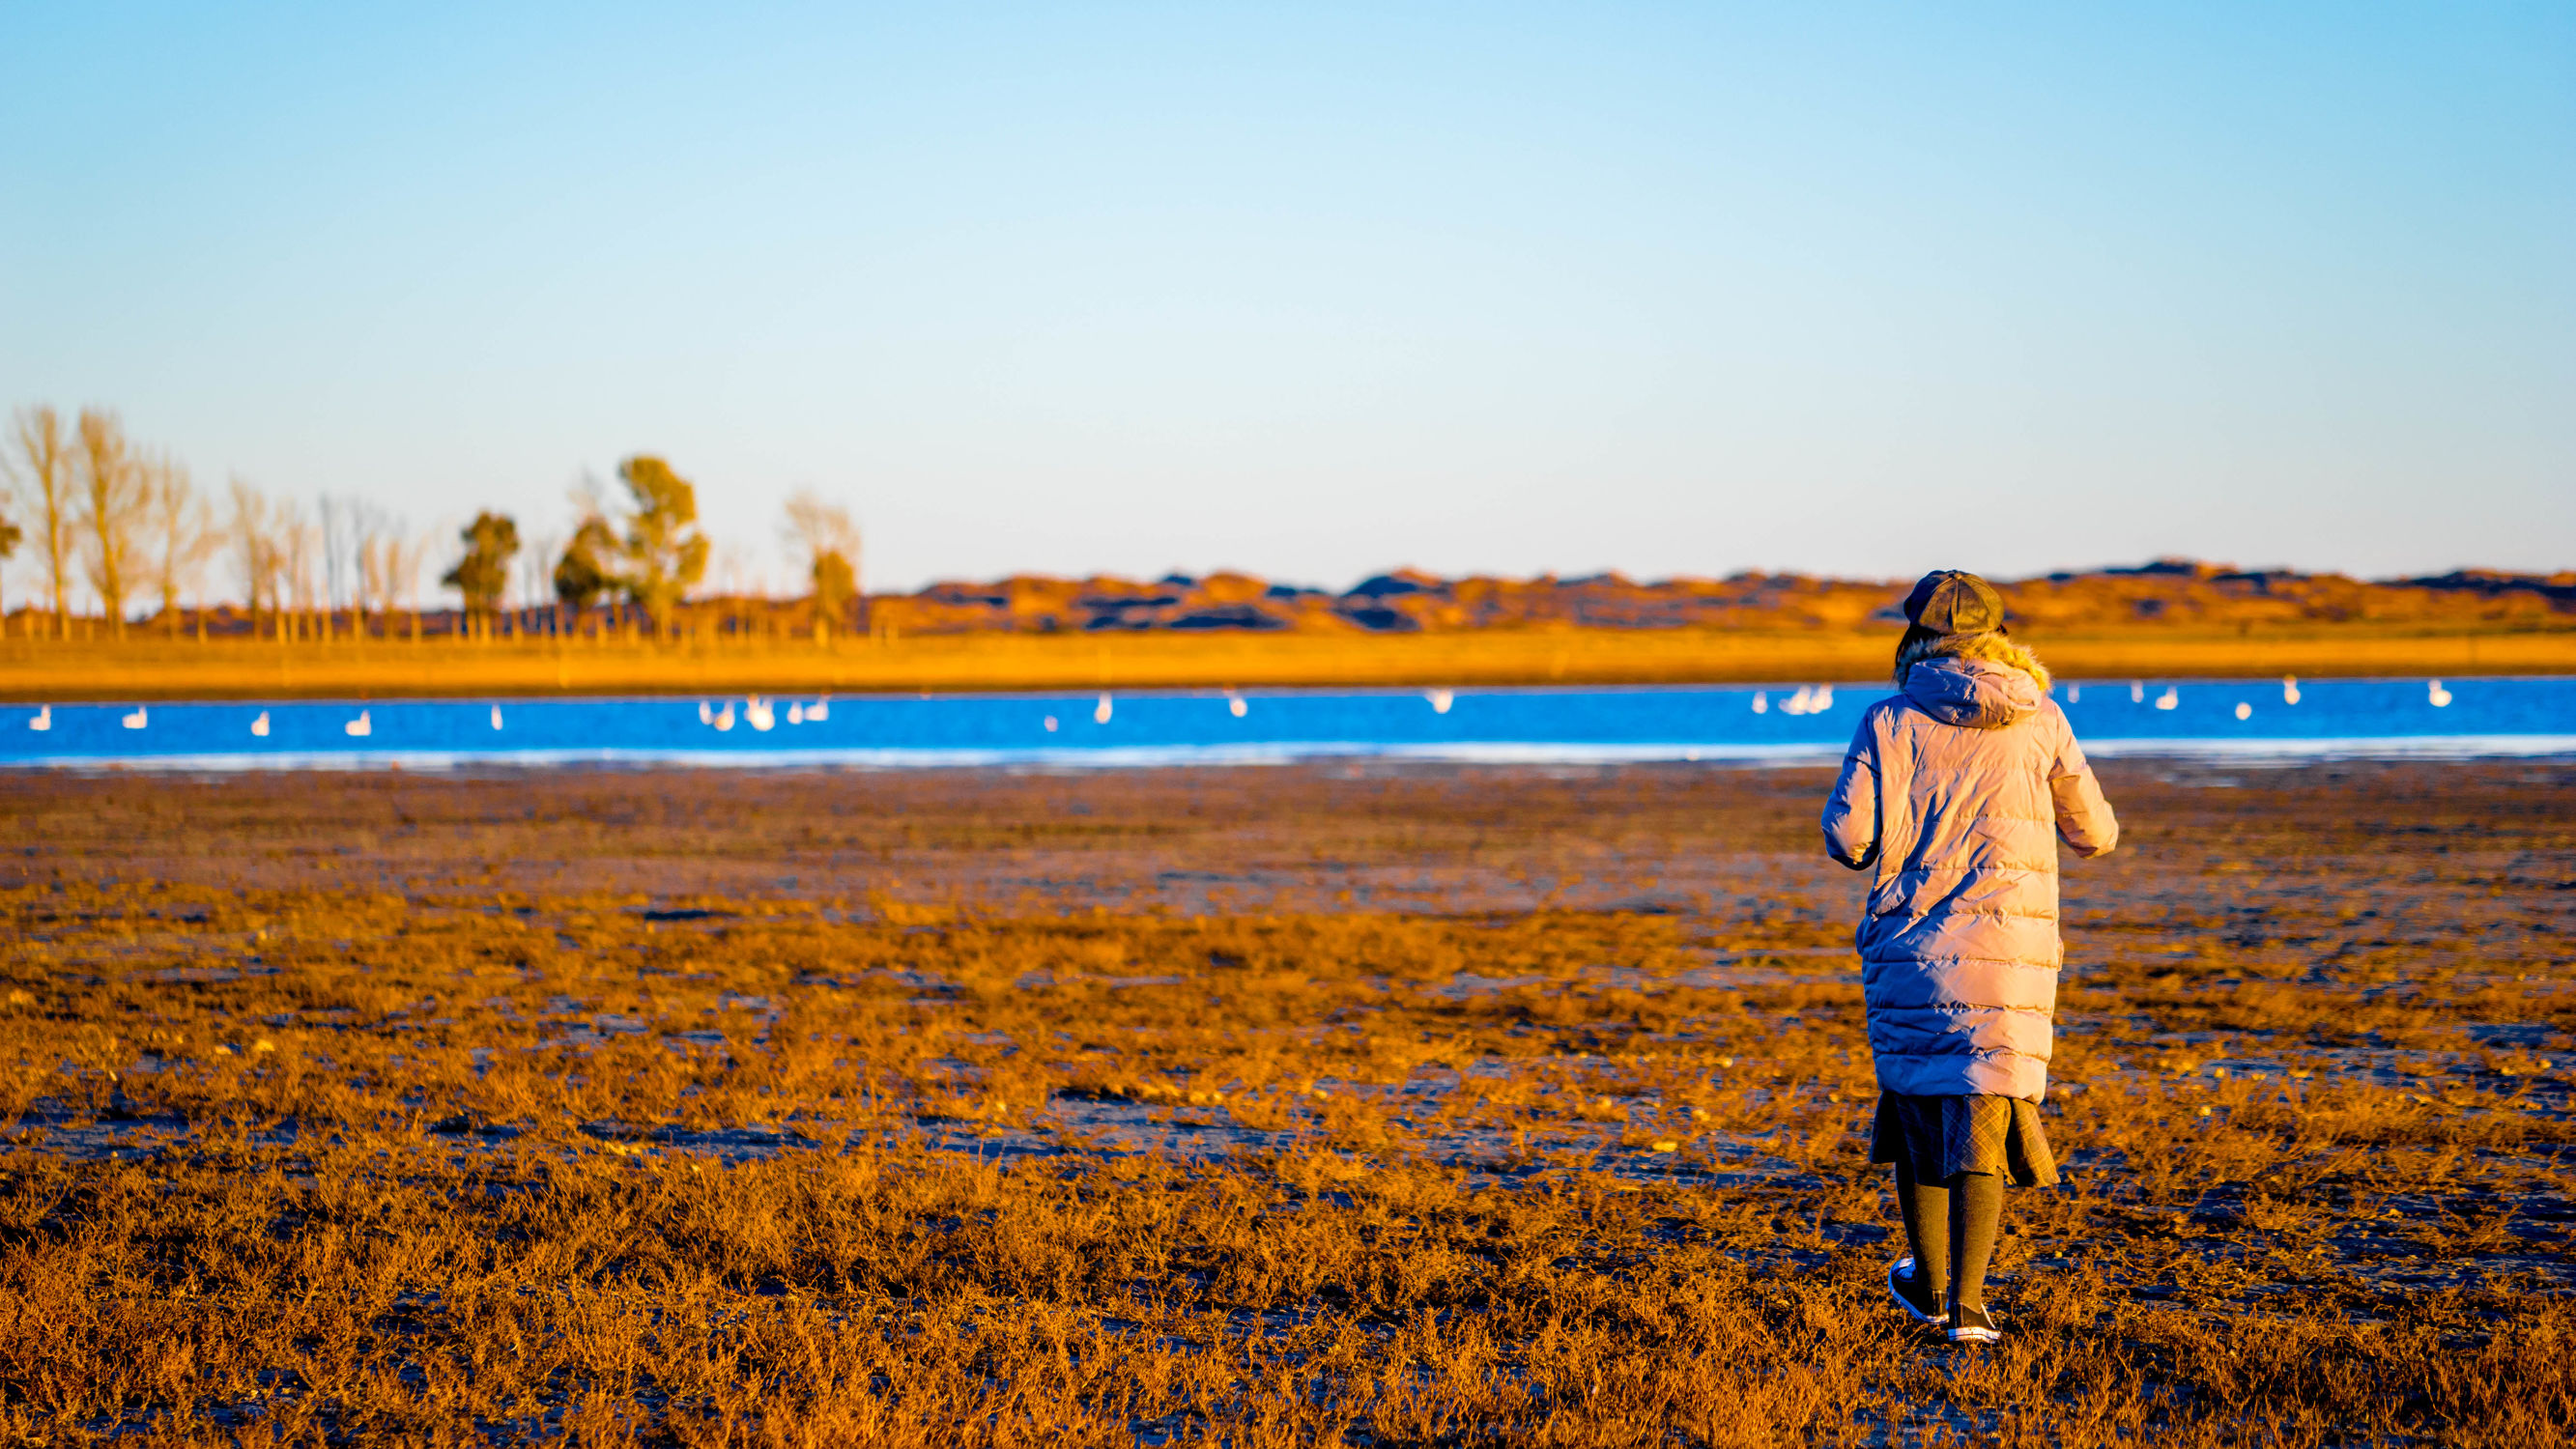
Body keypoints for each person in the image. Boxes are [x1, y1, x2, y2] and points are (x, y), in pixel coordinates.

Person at [1821, 569, 2119, 1345]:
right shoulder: (2041, 717)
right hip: (2013, 951)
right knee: (1986, 1104)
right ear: (2000, 637)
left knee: (1921, 1101)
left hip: (1914, 947)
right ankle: (1971, 1305)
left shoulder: (1888, 720)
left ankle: (1926, 1287)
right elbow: (2095, 834)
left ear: (1914, 637)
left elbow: (1848, 839)